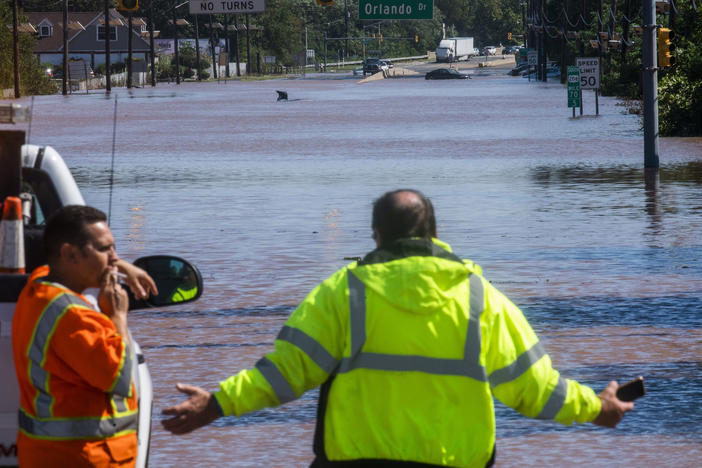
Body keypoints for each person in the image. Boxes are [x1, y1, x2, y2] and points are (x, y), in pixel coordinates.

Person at [161, 189, 634, 467]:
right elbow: (534, 390)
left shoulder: (342, 293)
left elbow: (285, 374)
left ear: (377, 235)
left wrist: (217, 403)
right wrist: (596, 406)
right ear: (434, 233)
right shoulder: (480, 298)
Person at [12, 205, 158, 468]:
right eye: (105, 249)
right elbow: (119, 376)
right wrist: (118, 315)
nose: (114, 257)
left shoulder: (38, 287)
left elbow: (49, 264)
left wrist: (121, 266)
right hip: (82, 458)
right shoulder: (73, 316)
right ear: (70, 254)